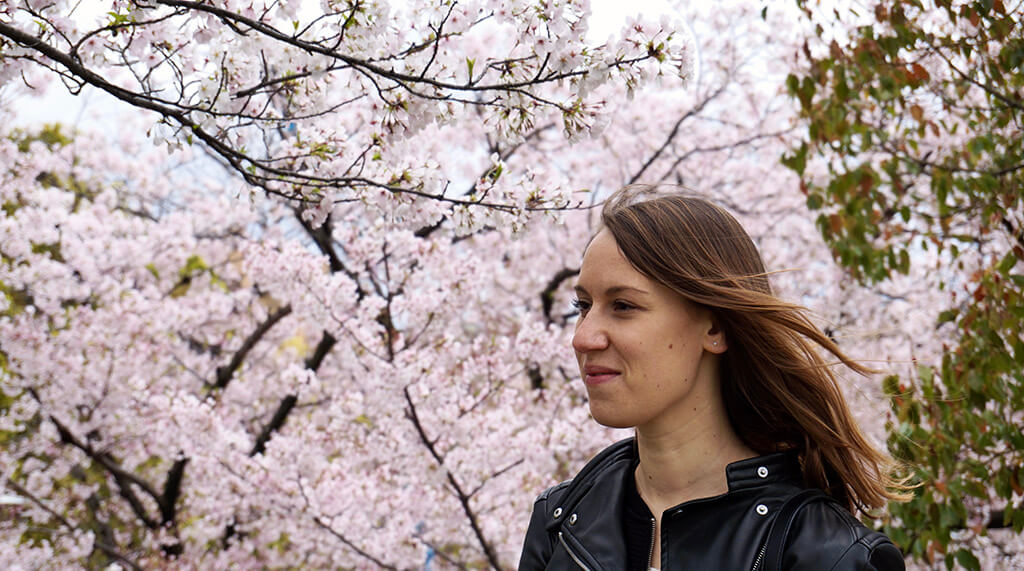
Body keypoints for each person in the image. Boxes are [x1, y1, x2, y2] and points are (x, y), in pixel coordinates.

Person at [518, 187, 911, 570]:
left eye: (623, 306)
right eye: (583, 306)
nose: (582, 337)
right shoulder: (559, 526)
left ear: (715, 328)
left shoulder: (826, 554)